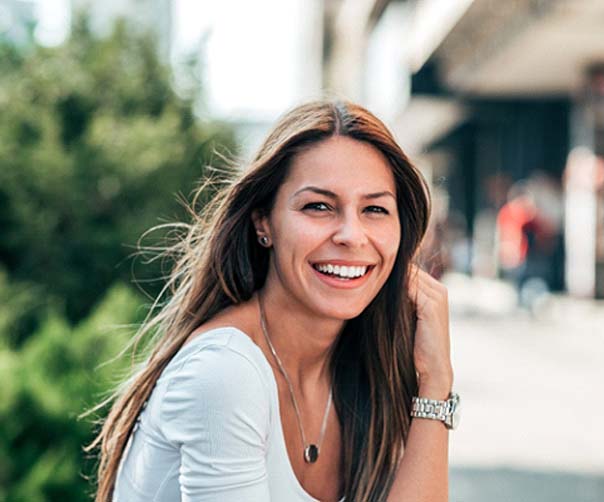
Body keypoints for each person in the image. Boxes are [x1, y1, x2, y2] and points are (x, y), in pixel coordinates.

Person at [87, 100, 457, 502]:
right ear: (264, 222)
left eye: (374, 209)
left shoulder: (361, 366)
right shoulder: (224, 371)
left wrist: (435, 383)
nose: (352, 235)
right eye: (319, 206)